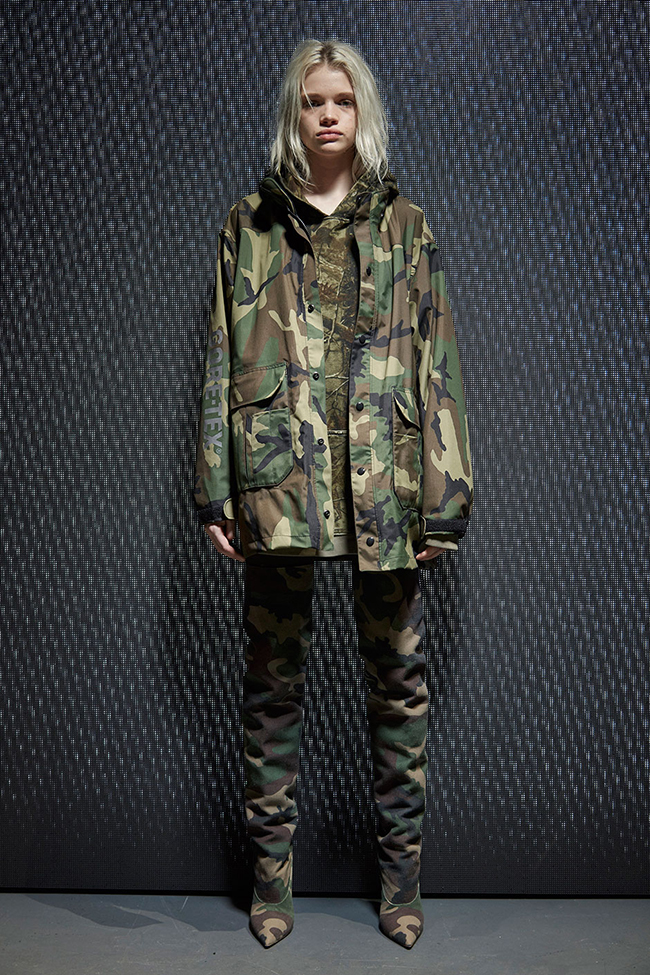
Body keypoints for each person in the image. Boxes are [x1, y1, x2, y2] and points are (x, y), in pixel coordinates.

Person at [194, 38, 473, 949]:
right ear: (295, 113)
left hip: (386, 483)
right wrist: (215, 491)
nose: (326, 114)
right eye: (312, 100)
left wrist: (447, 495)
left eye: (341, 101)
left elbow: (439, 359)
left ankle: (401, 890)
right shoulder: (249, 224)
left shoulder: (407, 226)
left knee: (399, 691)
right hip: (279, 481)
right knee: (272, 692)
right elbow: (221, 354)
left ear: (362, 115)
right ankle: (270, 888)